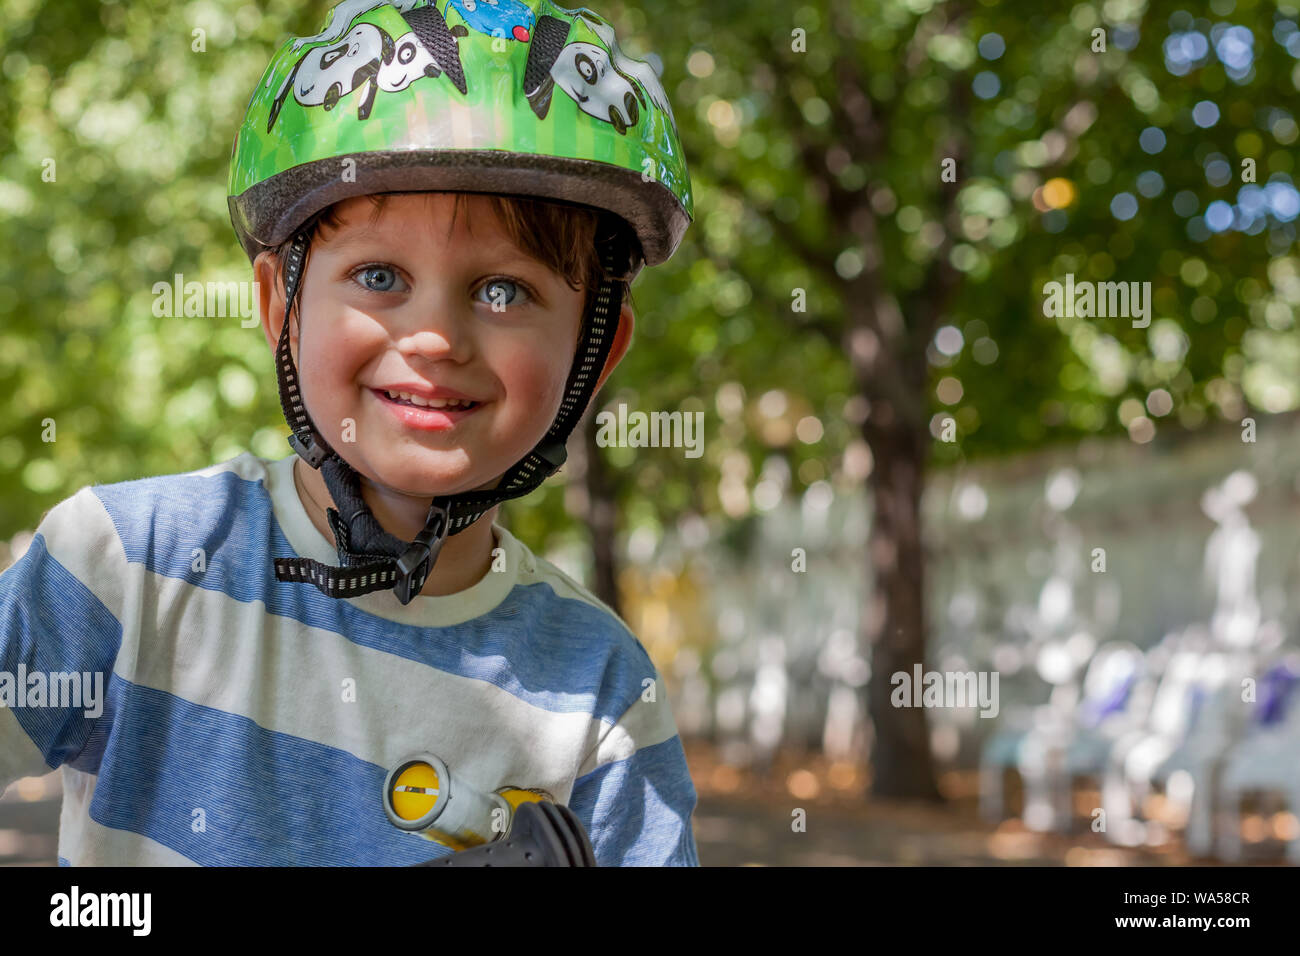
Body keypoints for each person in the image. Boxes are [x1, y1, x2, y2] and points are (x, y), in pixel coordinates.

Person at [0, 0, 698, 866]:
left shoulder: (600, 693)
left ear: (600, 349)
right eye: (378, 275)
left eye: (505, 291)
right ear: (277, 307)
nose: (437, 338)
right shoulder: (125, 565)